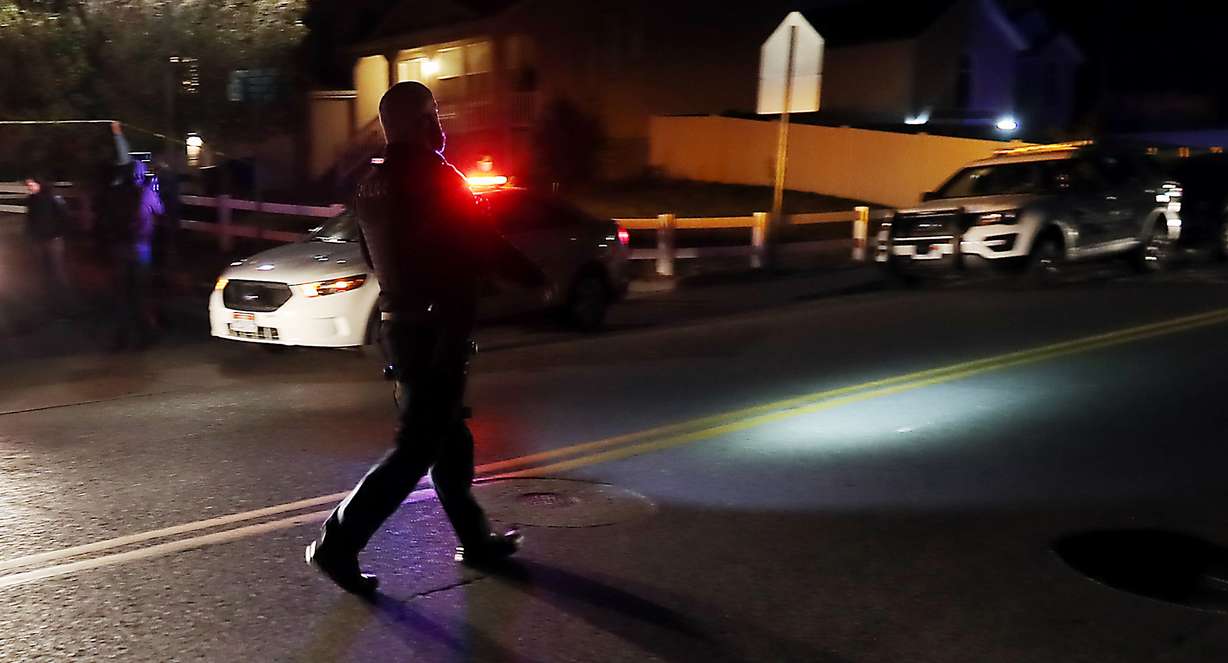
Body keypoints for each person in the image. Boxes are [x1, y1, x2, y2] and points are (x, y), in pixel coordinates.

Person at [306, 81, 547, 595]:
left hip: (402, 327)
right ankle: (337, 543)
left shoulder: (371, 186)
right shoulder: (438, 180)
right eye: (433, 115)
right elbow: (484, 243)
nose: (441, 126)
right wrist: (537, 279)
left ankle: (475, 540)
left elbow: (373, 259)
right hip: (437, 332)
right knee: (417, 449)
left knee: (449, 439)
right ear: (417, 123)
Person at [101, 123, 164, 350]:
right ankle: (145, 335)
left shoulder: (115, 191)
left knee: (122, 293)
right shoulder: (145, 191)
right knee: (139, 292)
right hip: (140, 248)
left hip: (119, 247)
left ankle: (122, 336)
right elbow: (160, 210)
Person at [23, 176, 72, 310]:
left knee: (57, 270)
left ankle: (65, 300)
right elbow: (30, 219)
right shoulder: (32, 200)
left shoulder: (53, 198)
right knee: (43, 270)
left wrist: (57, 233)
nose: (29, 188)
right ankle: (48, 299)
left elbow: (64, 217)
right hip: (39, 240)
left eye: (32, 185)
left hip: (53, 240)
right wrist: (29, 234)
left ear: (40, 184)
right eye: (28, 185)